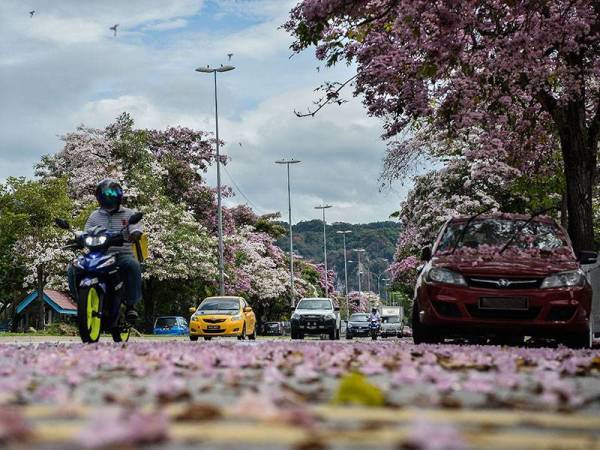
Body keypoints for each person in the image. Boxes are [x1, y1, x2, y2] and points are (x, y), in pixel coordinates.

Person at [67, 179, 143, 322]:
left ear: (119, 195)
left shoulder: (129, 214)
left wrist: (135, 234)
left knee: (133, 265)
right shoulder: (94, 215)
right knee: (72, 268)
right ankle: (81, 302)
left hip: (122, 254)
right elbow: (86, 232)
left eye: (112, 193)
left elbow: (136, 229)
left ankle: (131, 306)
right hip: (97, 254)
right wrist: (78, 238)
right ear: (99, 196)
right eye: (105, 194)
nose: (109, 196)